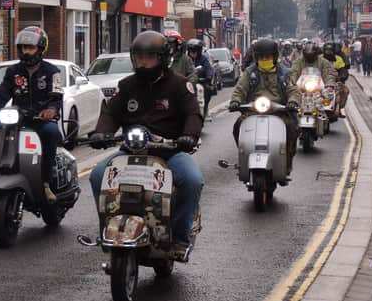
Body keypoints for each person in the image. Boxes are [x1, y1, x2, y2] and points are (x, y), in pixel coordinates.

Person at [88, 30, 203, 258]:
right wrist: (101, 133)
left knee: (192, 180)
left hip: (169, 152)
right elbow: (110, 114)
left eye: (148, 57)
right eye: (138, 57)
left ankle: (180, 239)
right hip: (130, 151)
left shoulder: (179, 85)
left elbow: (193, 114)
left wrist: (188, 136)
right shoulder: (127, 85)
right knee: (97, 175)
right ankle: (107, 230)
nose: (142, 62)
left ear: (162, 58)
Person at [0, 26, 63, 203]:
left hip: (40, 120)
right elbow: (2, 94)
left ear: (40, 49)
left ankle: (46, 183)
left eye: (30, 48)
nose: (26, 52)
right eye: (23, 48)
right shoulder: (13, 71)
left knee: (51, 133)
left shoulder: (52, 71)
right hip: (17, 120)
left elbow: (57, 97)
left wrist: (51, 111)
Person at [228, 38, 300, 178]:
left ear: (274, 57)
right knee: (238, 126)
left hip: (279, 112)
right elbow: (240, 89)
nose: (264, 59)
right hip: (253, 111)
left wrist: (293, 102)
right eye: (261, 57)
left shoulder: (284, 73)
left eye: (267, 57)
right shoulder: (250, 73)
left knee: (292, 128)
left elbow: (293, 90)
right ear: (256, 58)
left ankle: (287, 162)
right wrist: (235, 101)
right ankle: (244, 157)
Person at [187, 38, 214, 119]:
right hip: (188, 82)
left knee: (208, 89)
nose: (193, 52)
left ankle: (205, 108)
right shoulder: (186, 59)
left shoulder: (203, 59)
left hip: (201, 81)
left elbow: (208, 68)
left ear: (199, 51)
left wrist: (209, 76)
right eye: (191, 50)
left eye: (195, 50)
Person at [322, 42, 349, 118]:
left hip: (335, 81)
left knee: (345, 91)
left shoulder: (338, 59)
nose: (328, 52)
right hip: (321, 82)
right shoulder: (319, 58)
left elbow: (343, 70)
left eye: (330, 50)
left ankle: (339, 108)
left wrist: (342, 76)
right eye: (327, 50)